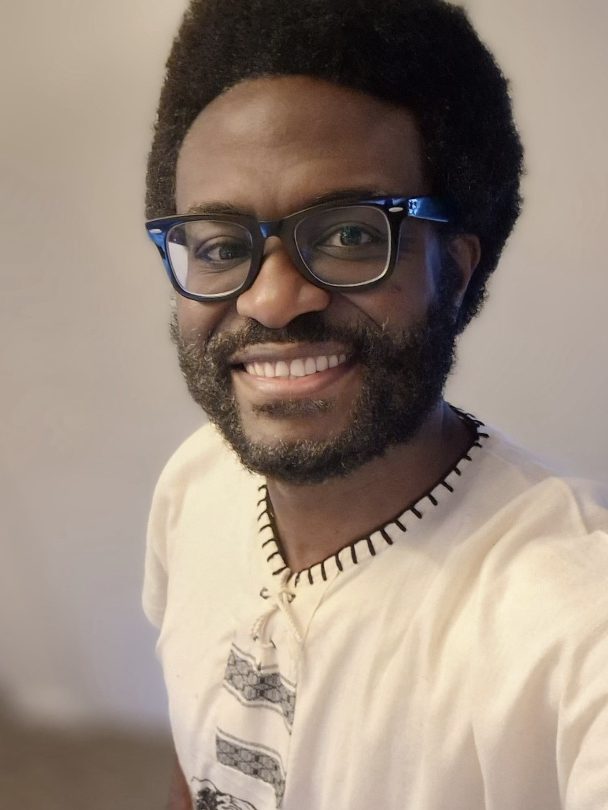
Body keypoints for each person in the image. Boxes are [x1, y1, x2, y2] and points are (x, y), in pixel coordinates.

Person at [142, 1, 608, 808]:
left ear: (454, 270)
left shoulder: (574, 624)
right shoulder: (194, 485)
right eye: (219, 245)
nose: (272, 299)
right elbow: (198, 752)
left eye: (351, 234)